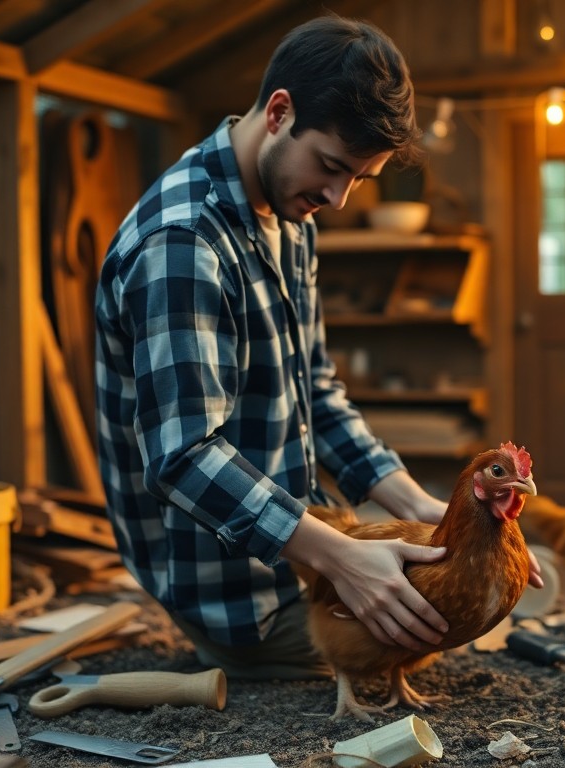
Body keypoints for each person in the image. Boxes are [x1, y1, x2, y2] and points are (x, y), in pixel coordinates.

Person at [95, 14, 539, 681]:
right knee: (431, 629)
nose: (336, 198)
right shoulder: (183, 244)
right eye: (331, 166)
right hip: (234, 591)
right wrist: (338, 557)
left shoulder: (288, 209)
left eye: (358, 180)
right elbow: (183, 456)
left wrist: (421, 507)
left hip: (296, 550)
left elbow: (317, 392)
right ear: (278, 112)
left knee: (455, 600)